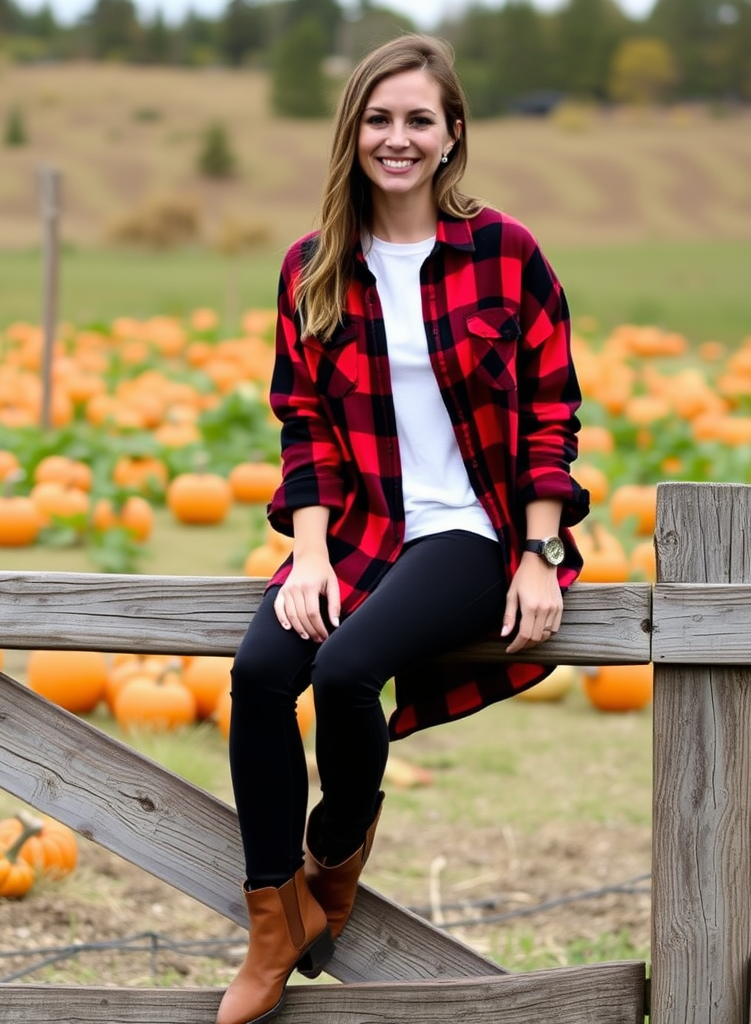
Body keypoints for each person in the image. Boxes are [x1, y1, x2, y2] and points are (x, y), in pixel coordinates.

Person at [218, 33, 589, 1024]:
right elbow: (302, 422)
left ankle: (331, 864)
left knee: (344, 674)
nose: (397, 137)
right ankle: (273, 918)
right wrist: (306, 557)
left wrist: (544, 551)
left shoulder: (505, 254)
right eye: (379, 119)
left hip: (474, 532)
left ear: (452, 134)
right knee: (258, 675)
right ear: (354, 134)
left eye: (418, 118)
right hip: (357, 527)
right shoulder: (317, 265)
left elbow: (553, 407)